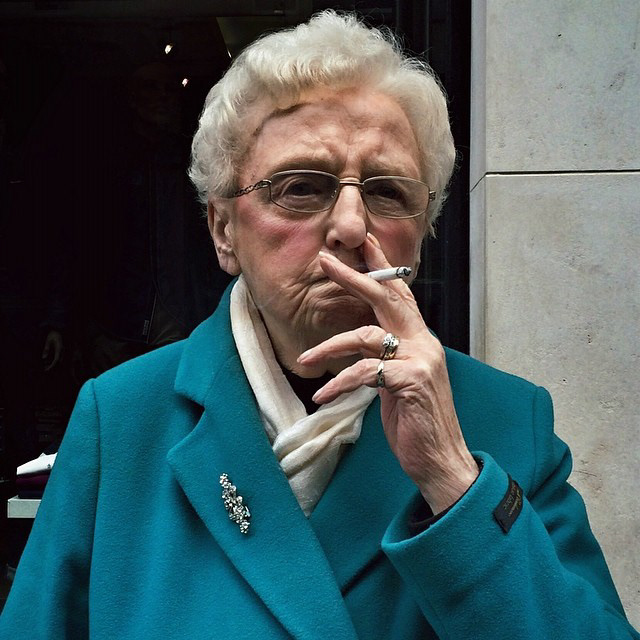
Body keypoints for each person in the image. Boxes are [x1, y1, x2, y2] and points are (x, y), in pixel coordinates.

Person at [0, 11, 637, 640]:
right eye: (301, 188)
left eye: (387, 192)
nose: (352, 227)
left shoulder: (506, 421)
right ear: (224, 230)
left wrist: (452, 478)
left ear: (422, 234)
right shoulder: (122, 421)